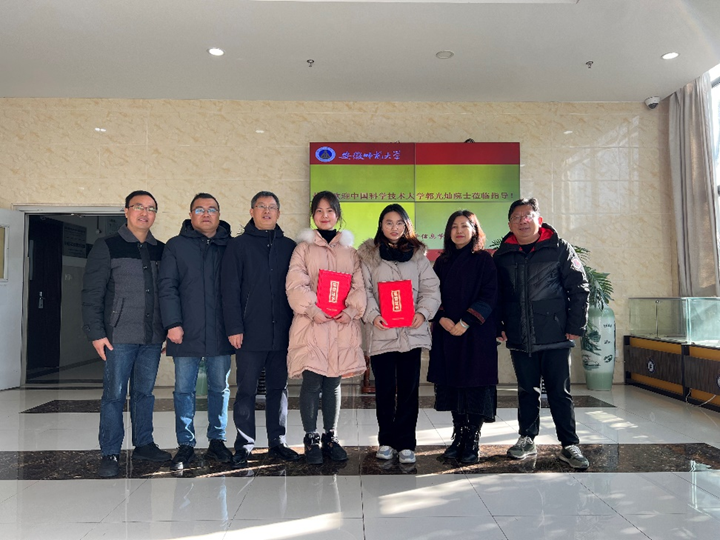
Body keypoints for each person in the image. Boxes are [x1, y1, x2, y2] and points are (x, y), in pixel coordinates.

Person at [494, 197, 590, 470]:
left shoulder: (559, 248)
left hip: (556, 333)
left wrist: (575, 325)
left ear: (539, 219)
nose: (522, 221)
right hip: (519, 333)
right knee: (527, 390)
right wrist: (498, 325)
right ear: (509, 224)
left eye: (527, 216)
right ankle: (527, 438)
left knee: (559, 392)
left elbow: (579, 287)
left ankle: (569, 444)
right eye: (516, 217)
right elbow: (496, 295)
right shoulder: (502, 255)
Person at [82, 190, 171, 478]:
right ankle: (110, 452)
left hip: (152, 336)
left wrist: (168, 329)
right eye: (139, 207)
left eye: (151, 208)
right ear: (126, 211)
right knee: (114, 396)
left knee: (144, 394)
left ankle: (144, 443)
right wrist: (96, 333)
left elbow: (169, 293)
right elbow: (92, 293)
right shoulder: (107, 246)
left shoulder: (161, 249)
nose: (145, 213)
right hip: (118, 336)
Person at [285, 191, 366, 465]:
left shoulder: (351, 252)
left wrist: (351, 310)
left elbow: (359, 286)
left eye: (330, 210)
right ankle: (311, 438)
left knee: (333, 383)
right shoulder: (303, 249)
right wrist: (312, 309)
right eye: (319, 211)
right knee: (311, 382)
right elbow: (296, 283)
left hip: (341, 326)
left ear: (338, 215)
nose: (325, 216)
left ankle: (330, 436)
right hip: (312, 326)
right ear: (313, 215)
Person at [221, 191, 300, 468]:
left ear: (279, 213)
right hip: (249, 333)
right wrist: (234, 327)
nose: (267, 211)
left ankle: (278, 442)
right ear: (252, 211)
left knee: (279, 388)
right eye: (261, 206)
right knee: (246, 390)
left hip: (283, 333)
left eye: (272, 207)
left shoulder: (290, 247)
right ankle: (244, 444)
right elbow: (229, 290)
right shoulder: (238, 246)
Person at [358, 204, 441, 465]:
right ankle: (386, 440)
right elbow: (363, 290)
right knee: (384, 390)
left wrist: (423, 313)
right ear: (381, 225)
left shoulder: (418, 256)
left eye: (399, 223)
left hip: (411, 332)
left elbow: (431, 289)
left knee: (408, 389)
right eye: (389, 222)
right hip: (382, 331)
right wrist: (373, 315)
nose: (394, 228)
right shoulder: (369, 256)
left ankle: (406, 443)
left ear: (407, 226)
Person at [158, 193, 234, 471]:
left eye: (212, 209)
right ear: (190, 215)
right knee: (183, 390)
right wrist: (172, 324)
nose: (206, 214)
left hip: (221, 331)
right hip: (185, 331)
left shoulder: (230, 246)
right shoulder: (176, 246)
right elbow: (167, 287)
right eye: (199, 209)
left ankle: (217, 440)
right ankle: (186, 444)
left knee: (220, 388)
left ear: (219, 214)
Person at [428, 211, 499, 464]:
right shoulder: (442, 261)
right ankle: (458, 435)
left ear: (474, 230)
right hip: (448, 332)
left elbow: (490, 294)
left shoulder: (484, 260)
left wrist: (466, 321)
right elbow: (432, 293)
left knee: (475, 386)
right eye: (454, 226)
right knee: (453, 385)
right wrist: (442, 318)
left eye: (464, 226)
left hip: (476, 334)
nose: (459, 231)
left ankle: (472, 438)